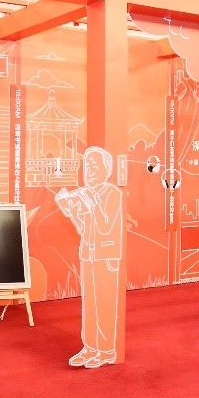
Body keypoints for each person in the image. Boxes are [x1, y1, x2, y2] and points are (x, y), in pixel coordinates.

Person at [55, 146, 123, 369]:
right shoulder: (86, 194)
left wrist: (91, 200)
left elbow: (104, 226)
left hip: (106, 256)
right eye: (87, 166)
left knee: (104, 302)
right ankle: (90, 347)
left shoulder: (112, 193)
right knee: (90, 304)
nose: (89, 170)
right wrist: (69, 208)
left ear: (106, 169)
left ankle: (106, 350)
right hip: (88, 254)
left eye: (94, 165)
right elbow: (83, 228)